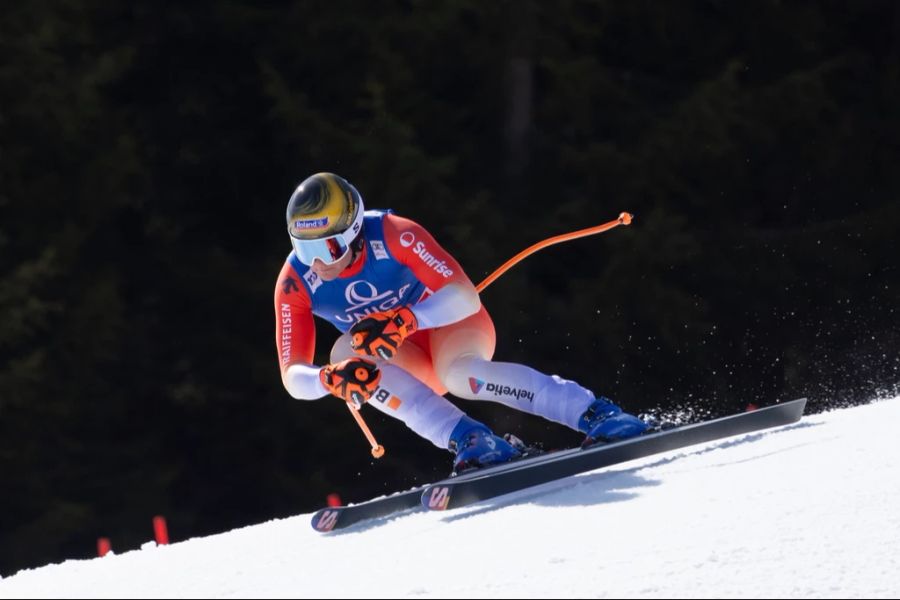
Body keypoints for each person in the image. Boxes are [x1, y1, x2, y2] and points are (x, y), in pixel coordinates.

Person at [274, 172, 648, 473]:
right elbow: (293, 377)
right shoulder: (295, 282)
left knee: (461, 375)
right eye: (304, 249)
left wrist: (408, 318)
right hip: (405, 360)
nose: (318, 263)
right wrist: (328, 379)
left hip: (451, 328)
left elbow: (465, 296)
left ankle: (595, 413)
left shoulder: (393, 234)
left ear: (354, 232)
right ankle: (470, 439)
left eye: (328, 248)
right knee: (345, 354)